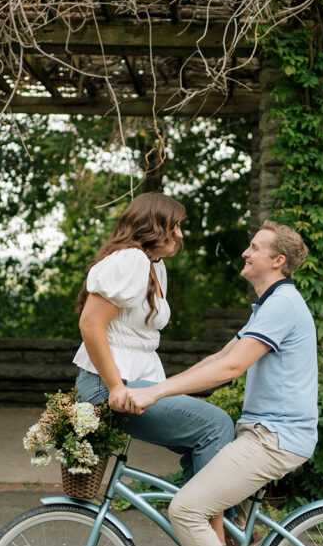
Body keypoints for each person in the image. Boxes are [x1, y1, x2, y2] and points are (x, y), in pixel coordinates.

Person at [115, 219, 318, 546]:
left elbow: (230, 370)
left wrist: (154, 392)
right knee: (229, 529)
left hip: (275, 439)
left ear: (276, 261)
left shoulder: (282, 304)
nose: (245, 253)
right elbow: (219, 357)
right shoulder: (269, 305)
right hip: (265, 434)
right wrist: (160, 389)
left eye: (254, 247)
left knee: (187, 508)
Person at [74, 192, 234, 485]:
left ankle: (203, 521)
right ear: (155, 226)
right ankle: (214, 526)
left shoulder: (155, 265)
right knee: (216, 424)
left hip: (137, 384)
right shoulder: (131, 259)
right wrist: (115, 387)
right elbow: (91, 323)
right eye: (176, 226)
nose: (181, 235)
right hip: (111, 385)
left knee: (202, 441)